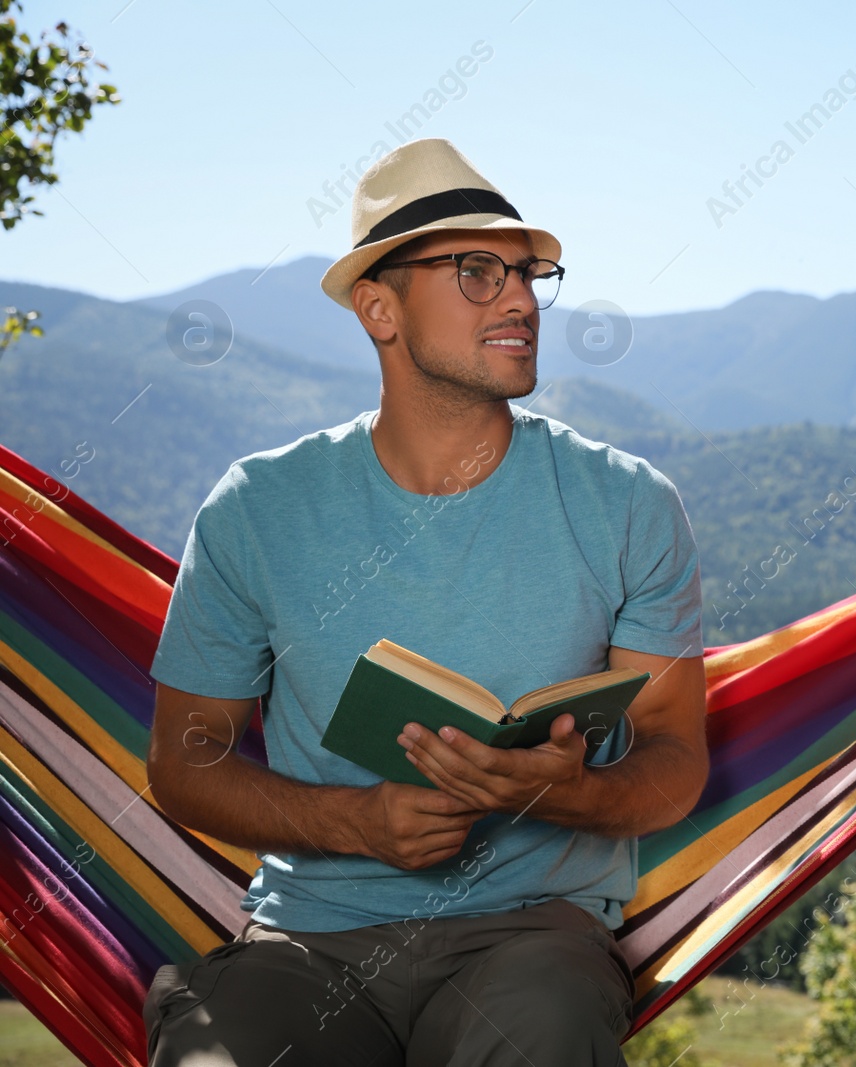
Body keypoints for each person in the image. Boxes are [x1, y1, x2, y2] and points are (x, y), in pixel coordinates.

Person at [141, 138, 708, 1066]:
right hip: (308, 943)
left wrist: (569, 793)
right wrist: (349, 823)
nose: (522, 299)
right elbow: (184, 763)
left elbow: (677, 760)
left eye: (530, 273)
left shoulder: (628, 503)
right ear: (380, 306)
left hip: (532, 942)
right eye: (478, 272)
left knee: (547, 1036)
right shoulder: (259, 506)